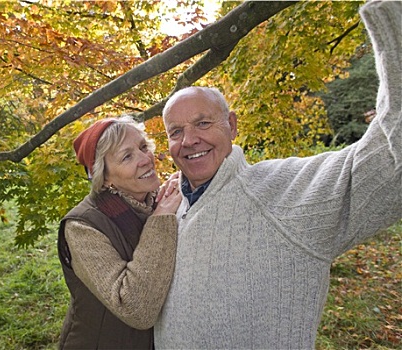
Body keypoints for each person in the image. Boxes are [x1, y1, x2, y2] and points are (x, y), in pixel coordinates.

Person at [154, 1, 402, 349]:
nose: (189, 140)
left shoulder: (285, 191)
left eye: (203, 123)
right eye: (175, 131)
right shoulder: (169, 206)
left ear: (233, 125)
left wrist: (391, 14)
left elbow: (394, 160)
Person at [57, 115, 182, 349]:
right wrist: (161, 219)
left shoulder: (156, 200)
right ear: (104, 179)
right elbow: (135, 308)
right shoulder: (83, 226)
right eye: (127, 156)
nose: (146, 159)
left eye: (143, 147)